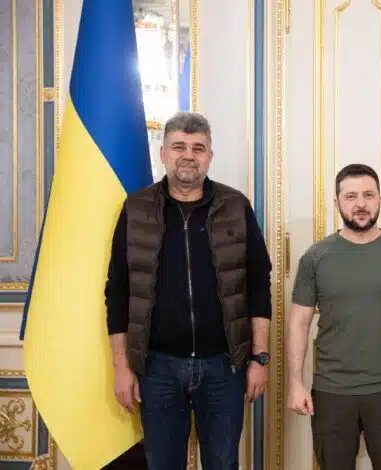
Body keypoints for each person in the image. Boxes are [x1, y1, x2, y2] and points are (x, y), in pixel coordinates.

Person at [105, 112, 273, 470]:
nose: (188, 155)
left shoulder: (235, 205)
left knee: (222, 463)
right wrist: (122, 367)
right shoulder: (136, 209)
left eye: (198, 148)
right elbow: (117, 291)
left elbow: (259, 283)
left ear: (210, 156)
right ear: (163, 153)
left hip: (224, 367)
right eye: (179, 146)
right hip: (157, 367)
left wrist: (259, 359)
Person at [286, 163, 381, 470]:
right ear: (337, 202)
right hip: (331, 391)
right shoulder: (315, 257)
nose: (360, 203)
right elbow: (299, 323)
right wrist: (295, 383)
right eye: (351, 196)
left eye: (368, 195)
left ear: (380, 199)